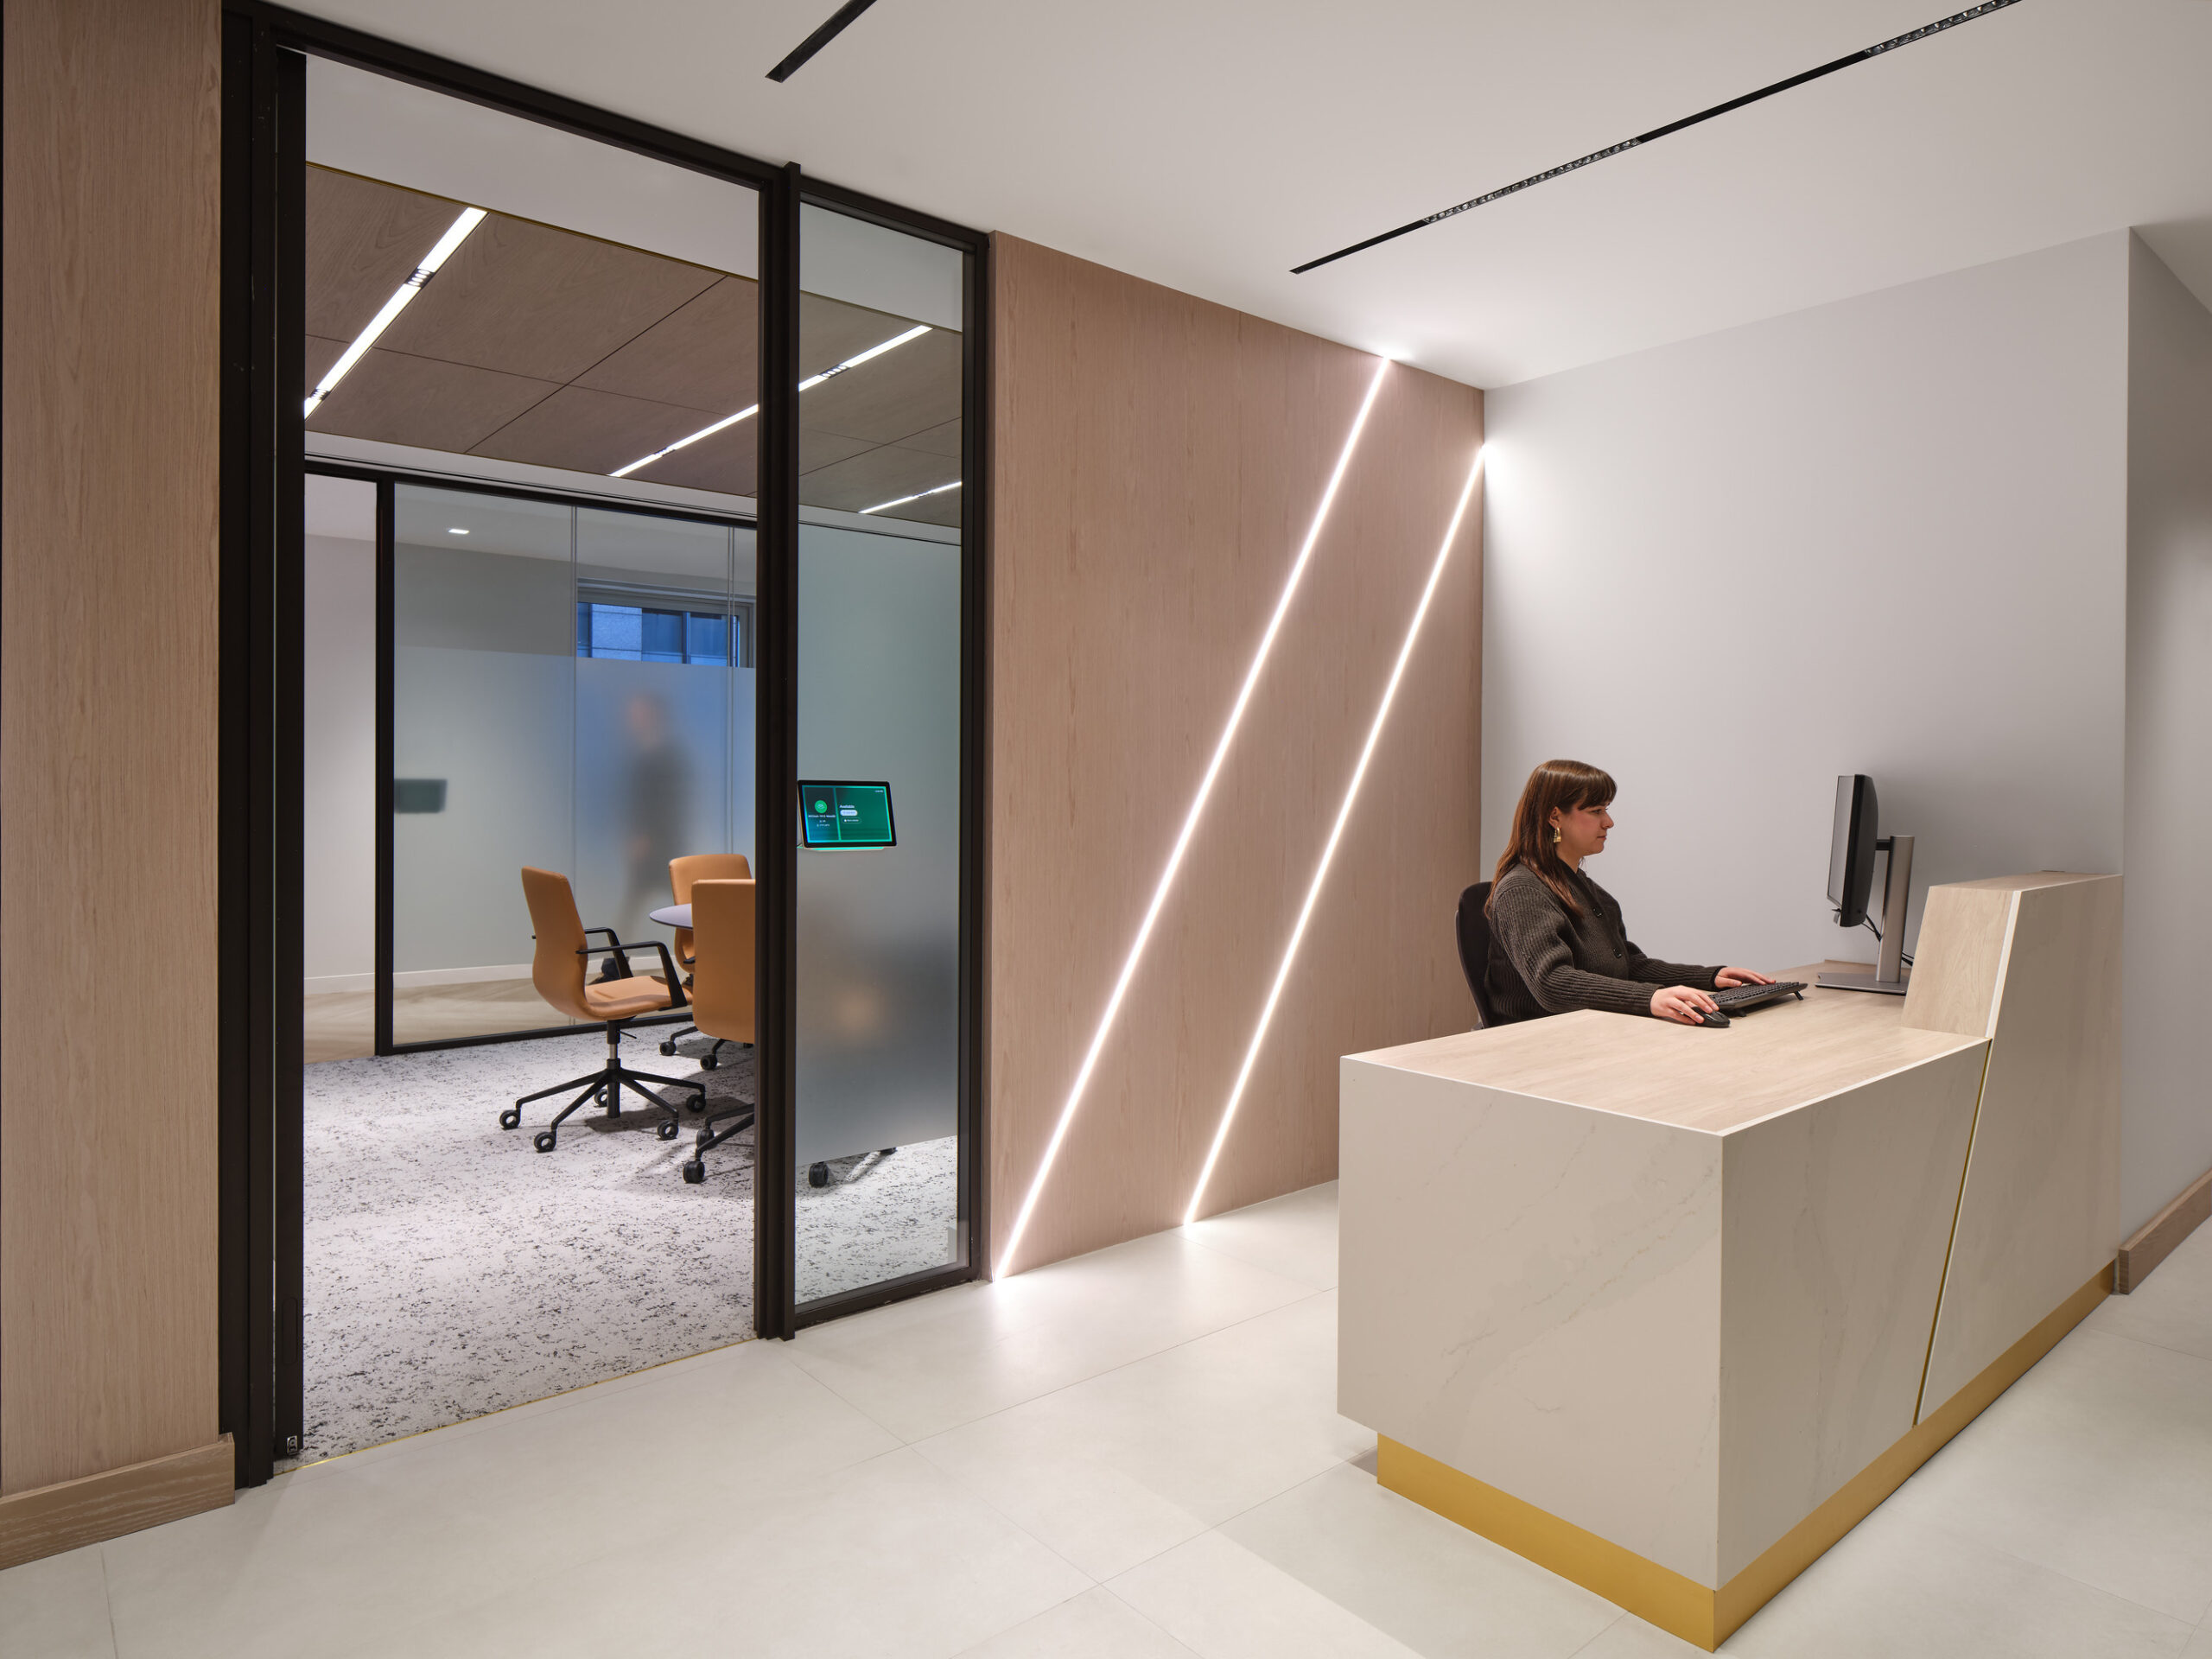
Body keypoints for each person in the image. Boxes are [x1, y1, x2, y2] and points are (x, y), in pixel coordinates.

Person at [1484, 759, 1772, 1026]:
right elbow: (1553, 983)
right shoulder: (1522, 889)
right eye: (1596, 811)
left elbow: (1628, 966)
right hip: (1533, 1047)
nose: (1608, 822)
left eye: (1606, 810)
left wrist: (1710, 978)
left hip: (1588, 1034)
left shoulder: (1591, 893)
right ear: (1555, 817)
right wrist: (1649, 999)